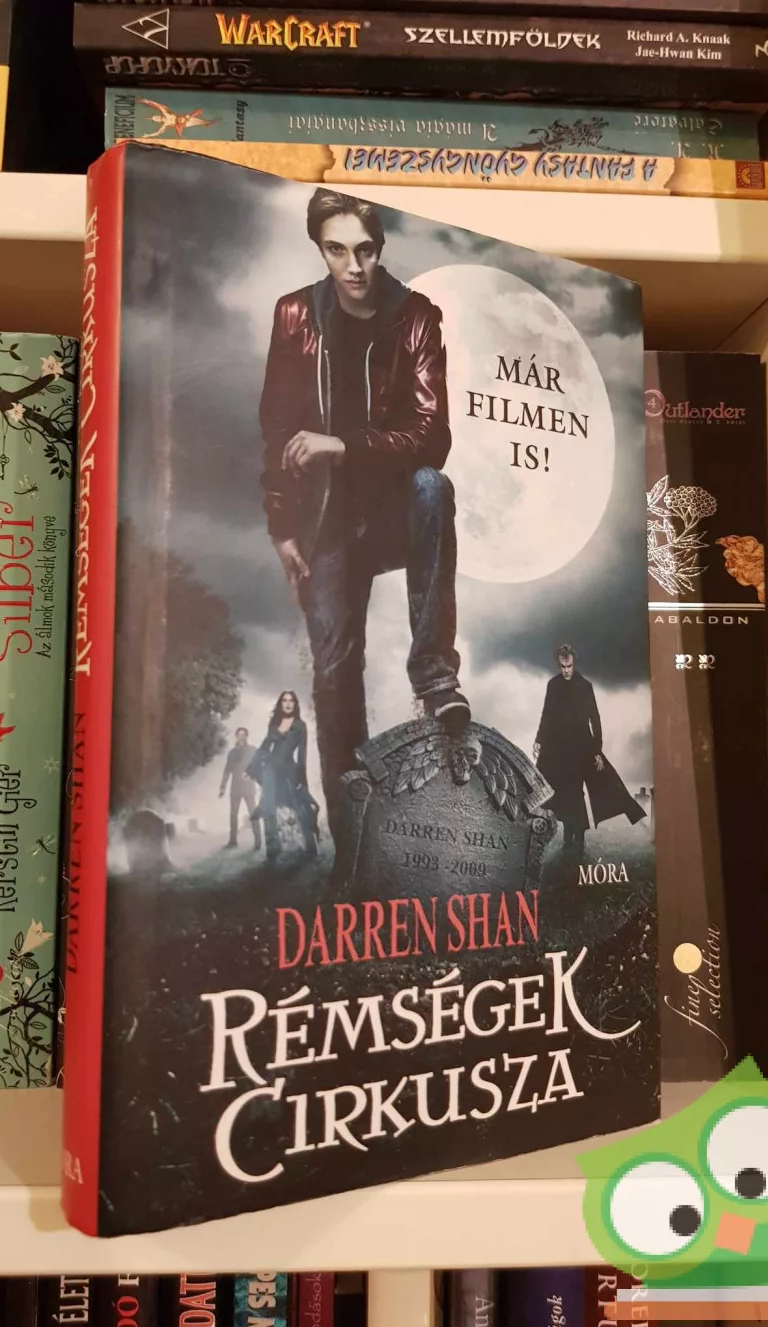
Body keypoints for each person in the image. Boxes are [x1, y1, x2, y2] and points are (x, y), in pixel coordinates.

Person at [259, 188, 470, 843]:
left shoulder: (416, 317)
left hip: (392, 510)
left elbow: (432, 436)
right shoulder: (294, 315)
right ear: (320, 249)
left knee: (434, 485)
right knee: (333, 674)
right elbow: (277, 429)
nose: (353, 266)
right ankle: (353, 839)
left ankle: (434, 676)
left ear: (380, 248)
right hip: (324, 520)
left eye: (366, 250)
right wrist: (281, 530)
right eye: (337, 250)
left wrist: (343, 444)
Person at [533, 644, 646, 857]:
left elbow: (595, 718)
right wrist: (539, 739)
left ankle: (579, 839)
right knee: (562, 791)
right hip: (558, 747)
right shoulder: (553, 685)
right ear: (558, 664)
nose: (566, 671)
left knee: (577, 792)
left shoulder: (585, 686)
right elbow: (547, 714)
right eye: (562, 667)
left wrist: (597, 751)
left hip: (582, 747)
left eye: (569, 666)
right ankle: (568, 838)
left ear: (574, 663)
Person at [248, 691, 319, 861]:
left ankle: (311, 848)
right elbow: (265, 747)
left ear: (295, 704)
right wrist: (251, 767)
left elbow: (302, 754)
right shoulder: (274, 724)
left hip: (289, 769)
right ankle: (273, 850)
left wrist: (302, 779)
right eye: (284, 701)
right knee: (268, 808)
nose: (288, 704)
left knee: (300, 805)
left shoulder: (300, 726)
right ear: (280, 704)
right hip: (270, 770)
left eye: (291, 701)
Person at [218, 726, 261, 850]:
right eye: (239, 735)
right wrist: (222, 787)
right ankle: (233, 840)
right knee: (233, 814)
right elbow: (227, 770)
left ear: (247, 736)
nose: (241, 737)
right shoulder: (232, 753)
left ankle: (258, 841)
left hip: (249, 787)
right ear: (236, 737)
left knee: (253, 814)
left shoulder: (253, 751)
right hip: (236, 787)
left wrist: (261, 783)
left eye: (243, 734)